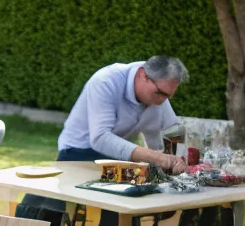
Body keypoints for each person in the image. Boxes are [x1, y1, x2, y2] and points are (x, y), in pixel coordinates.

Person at [57, 55, 189, 172]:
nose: (162, 101)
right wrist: (155, 157)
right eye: (159, 93)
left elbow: (172, 129)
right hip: (77, 153)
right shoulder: (106, 81)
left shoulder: (157, 88)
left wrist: (178, 161)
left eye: (167, 96)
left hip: (115, 156)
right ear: (142, 75)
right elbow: (100, 139)